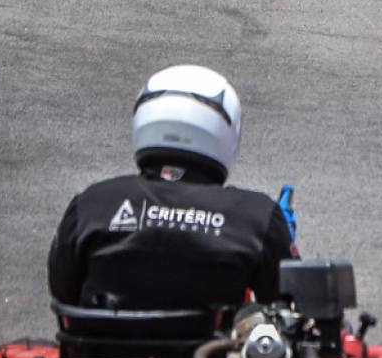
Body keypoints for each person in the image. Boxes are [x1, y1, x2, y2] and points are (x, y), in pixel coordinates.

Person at [47, 65, 296, 315]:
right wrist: (278, 237)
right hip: (209, 352)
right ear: (227, 131)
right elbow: (288, 304)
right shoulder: (254, 216)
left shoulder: (93, 204)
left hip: (100, 351)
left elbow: (63, 290)